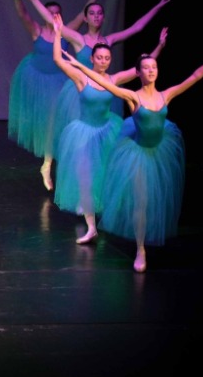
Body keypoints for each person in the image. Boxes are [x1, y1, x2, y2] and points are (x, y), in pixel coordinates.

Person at [66, 38, 203, 272]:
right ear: (138, 72)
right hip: (138, 155)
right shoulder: (133, 97)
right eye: (146, 68)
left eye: (154, 67)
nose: (151, 71)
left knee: (153, 200)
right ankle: (140, 249)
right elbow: (106, 84)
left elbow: (196, 76)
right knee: (141, 202)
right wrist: (80, 66)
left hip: (160, 152)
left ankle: (144, 243)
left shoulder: (165, 95)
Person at [17, 0, 169, 188]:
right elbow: (53, 22)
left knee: (99, 139)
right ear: (86, 18)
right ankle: (49, 166)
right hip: (79, 91)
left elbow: (137, 28)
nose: (96, 17)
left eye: (100, 13)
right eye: (92, 13)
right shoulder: (78, 39)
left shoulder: (108, 40)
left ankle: (94, 181)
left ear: (103, 17)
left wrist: (158, 7)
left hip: (103, 91)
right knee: (70, 133)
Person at [49, 14, 166, 244]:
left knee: (104, 174)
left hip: (107, 132)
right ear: (92, 58)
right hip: (84, 134)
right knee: (85, 178)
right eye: (99, 57)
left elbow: (142, 68)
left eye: (107, 58)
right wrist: (58, 33)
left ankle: (107, 213)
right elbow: (57, 60)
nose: (103, 61)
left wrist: (160, 46)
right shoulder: (81, 78)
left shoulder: (114, 79)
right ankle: (91, 227)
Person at [6, 0, 108, 190]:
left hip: (60, 82)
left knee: (61, 124)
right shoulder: (37, 30)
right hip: (37, 80)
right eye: (50, 13)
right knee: (48, 125)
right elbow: (23, 15)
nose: (53, 16)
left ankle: (57, 165)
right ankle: (47, 165)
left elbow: (84, 13)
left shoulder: (66, 30)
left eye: (57, 13)